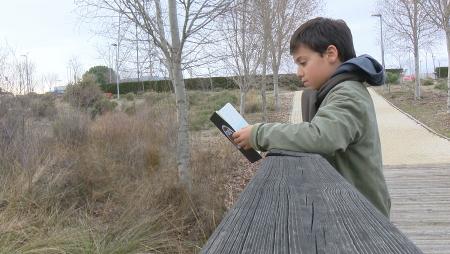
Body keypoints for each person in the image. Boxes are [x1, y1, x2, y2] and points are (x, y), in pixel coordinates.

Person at [232, 17, 391, 217]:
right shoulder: (337, 90)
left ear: (331, 54)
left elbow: (322, 136)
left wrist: (258, 133)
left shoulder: (347, 93)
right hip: (350, 205)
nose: (299, 73)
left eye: (303, 62)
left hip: (363, 214)